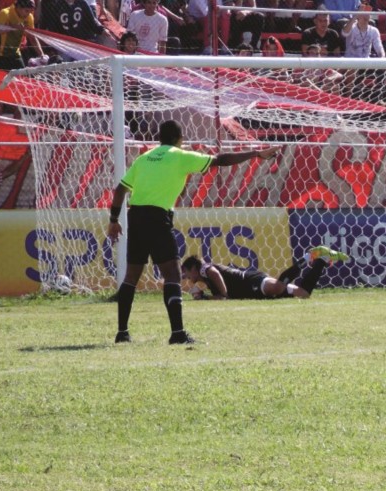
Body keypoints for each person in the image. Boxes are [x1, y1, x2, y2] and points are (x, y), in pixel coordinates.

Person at [105, 119, 279, 344]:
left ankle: (122, 333)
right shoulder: (180, 155)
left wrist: (113, 221)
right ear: (180, 139)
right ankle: (177, 334)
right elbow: (220, 160)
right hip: (158, 218)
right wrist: (256, 153)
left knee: (130, 278)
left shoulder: (144, 158)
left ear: (159, 139)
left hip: (135, 217)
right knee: (173, 276)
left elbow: (120, 190)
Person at [181, 249, 345, 299]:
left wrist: (215, 296)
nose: (187, 277)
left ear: (194, 269)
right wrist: (203, 296)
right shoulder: (205, 279)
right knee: (304, 294)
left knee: (278, 286)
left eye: (187, 273)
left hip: (251, 281)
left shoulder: (206, 269)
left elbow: (222, 291)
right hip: (251, 291)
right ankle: (321, 261)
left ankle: (309, 256)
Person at [0, 0, 45, 70]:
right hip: (0, 54)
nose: (28, 14)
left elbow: (32, 37)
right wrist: (12, 27)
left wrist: (41, 54)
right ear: (18, 7)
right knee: (1, 79)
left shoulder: (29, 17)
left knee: (23, 77)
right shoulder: (5, 13)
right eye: (26, 11)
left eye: (30, 11)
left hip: (16, 53)